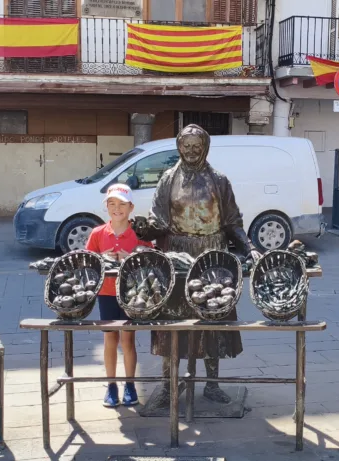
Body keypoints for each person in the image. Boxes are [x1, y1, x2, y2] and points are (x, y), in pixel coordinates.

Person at [134, 124, 263, 412]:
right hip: (176, 253)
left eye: (196, 147)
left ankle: (213, 384)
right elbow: (159, 223)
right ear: (178, 147)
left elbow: (232, 221)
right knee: (171, 321)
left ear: (205, 147)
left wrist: (248, 246)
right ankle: (168, 386)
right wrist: (144, 230)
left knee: (213, 317)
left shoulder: (219, 180)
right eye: (185, 147)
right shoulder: (168, 179)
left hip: (211, 254)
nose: (191, 153)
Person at [85, 183, 152, 408]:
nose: (117, 209)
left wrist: (131, 258)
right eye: (112, 204)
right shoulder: (97, 234)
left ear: (131, 207)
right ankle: (111, 385)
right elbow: (88, 263)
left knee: (128, 339)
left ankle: (130, 384)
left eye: (122, 204)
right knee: (110, 339)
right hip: (106, 293)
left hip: (133, 294)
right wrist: (101, 259)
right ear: (106, 207)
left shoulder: (140, 234)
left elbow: (151, 263)